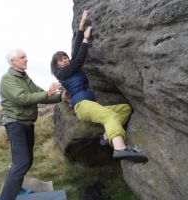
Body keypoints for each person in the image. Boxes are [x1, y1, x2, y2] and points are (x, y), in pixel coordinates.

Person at [50, 10, 148, 163]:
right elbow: (79, 58)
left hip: (90, 104)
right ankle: (120, 148)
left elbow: (76, 50)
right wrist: (87, 39)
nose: (64, 60)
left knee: (125, 109)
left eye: (65, 58)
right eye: (60, 60)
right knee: (110, 116)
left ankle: (106, 136)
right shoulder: (62, 74)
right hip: (82, 106)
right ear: (56, 65)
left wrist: (82, 24)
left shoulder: (71, 68)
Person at [0, 48, 67, 200]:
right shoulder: (8, 78)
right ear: (13, 62)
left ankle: (16, 189)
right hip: (15, 123)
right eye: (22, 57)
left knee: (27, 161)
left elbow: (40, 94)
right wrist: (46, 93)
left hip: (27, 123)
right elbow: (22, 98)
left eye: (25, 56)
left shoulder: (24, 77)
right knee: (21, 162)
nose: (26, 59)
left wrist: (61, 97)